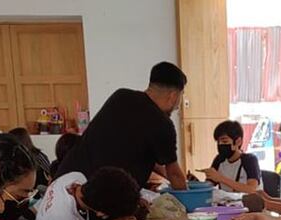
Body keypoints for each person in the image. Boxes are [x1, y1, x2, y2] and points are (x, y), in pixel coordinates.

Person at [55, 62, 188, 191]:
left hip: (63, 185)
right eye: (181, 97)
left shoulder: (120, 96)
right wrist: (188, 200)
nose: (177, 106)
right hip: (91, 198)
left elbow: (143, 151)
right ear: (173, 95)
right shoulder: (162, 124)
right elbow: (174, 173)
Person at [199, 120, 261, 193]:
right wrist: (196, 183)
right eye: (218, 142)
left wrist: (220, 178)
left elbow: (251, 189)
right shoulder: (219, 159)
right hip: (226, 203)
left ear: (238, 141)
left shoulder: (249, 160)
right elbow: (209, 185)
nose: (220, 145)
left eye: (225, 142)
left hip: (249, 203)